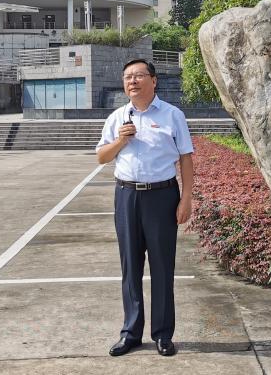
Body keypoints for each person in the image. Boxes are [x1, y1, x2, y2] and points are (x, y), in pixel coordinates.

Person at [96, 59, 195, 357]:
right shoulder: (117, 117)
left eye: (139, 75)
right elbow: (102, 157)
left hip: (162, 196)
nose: (132, 81)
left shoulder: (172, 115)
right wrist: (121, 140)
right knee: (130, 266)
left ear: (154, 80)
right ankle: (131, 333)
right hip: (126, 195)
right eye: (128, 77)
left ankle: (163, 334)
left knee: (163, 267)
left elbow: (186, 158)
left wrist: (186, 198)